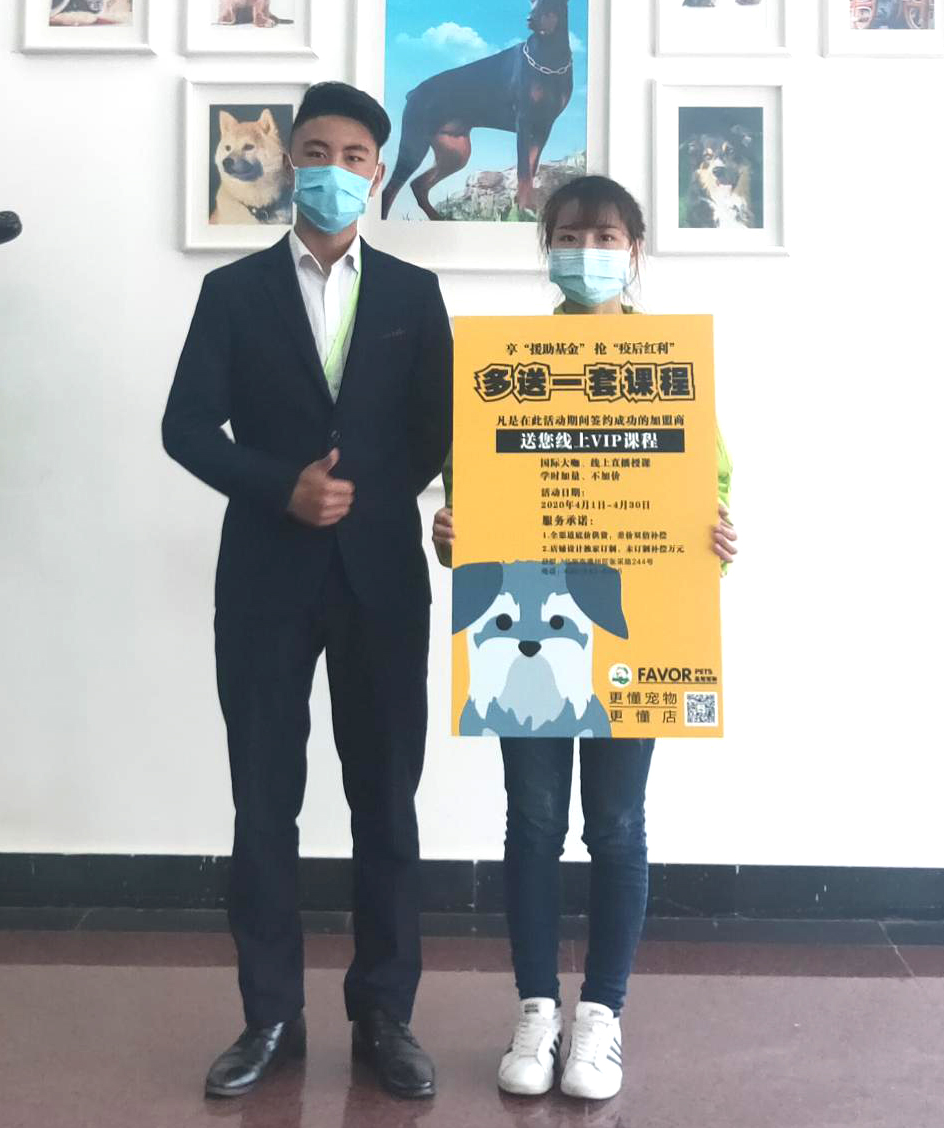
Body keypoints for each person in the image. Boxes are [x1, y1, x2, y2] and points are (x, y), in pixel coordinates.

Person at [162, 82, 452, 1101]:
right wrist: (278, 485)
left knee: (386, 800)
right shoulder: (233, 292)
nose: (334, 169)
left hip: (382, 579)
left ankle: (384, 1015)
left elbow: (437, 430)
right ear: (291, 162)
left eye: (354, 155)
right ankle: (269, 1018)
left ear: (377, 172)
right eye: (316, 151)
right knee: (262, 801)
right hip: (264, 578)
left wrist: (375, 497)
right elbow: (185, 427)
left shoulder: (414, 295)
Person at [432, 175, 738, 1102]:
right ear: (546, 248)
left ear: (635, 250)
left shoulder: (670, 365)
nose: (587, 251)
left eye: (606, 237)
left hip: (637, 622)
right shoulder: (506, 365)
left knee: (615, 824)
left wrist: (714, 541)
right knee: (532, 820)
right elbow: (470, 484)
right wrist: (453, 534)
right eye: (569, 235)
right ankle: (536, 1008)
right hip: (525, 620)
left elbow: (709, 484)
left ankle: (601, 1015)